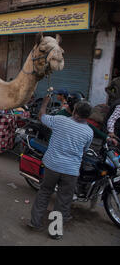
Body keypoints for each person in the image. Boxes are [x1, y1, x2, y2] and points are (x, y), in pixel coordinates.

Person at [28, 95, 94, 240]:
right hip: (70, 171)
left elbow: (42, 116)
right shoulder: (89, 132)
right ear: (88, 116)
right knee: (63, 200)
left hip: (52, 166)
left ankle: (35, 222)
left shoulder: (59, 120)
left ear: (74, 111)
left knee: (44, 192)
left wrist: (45, 102)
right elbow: (84, 150)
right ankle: (55, 231)